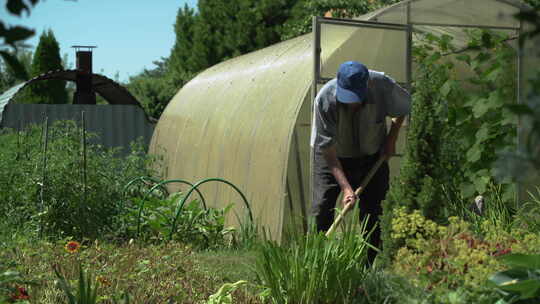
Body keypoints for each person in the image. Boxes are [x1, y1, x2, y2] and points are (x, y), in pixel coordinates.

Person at [310, 61, 411, 262]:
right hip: (333, 155)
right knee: (322, 207)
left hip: (372, 154)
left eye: (356, 98)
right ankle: (316, 258)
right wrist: (346, 188)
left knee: (375, 210)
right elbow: (327, 151)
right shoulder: (325, 100)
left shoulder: (383, 85)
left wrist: (392, 138)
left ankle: (370, 264)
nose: (352, 104)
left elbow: (402, 108)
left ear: (368, 86)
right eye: (347, 98)